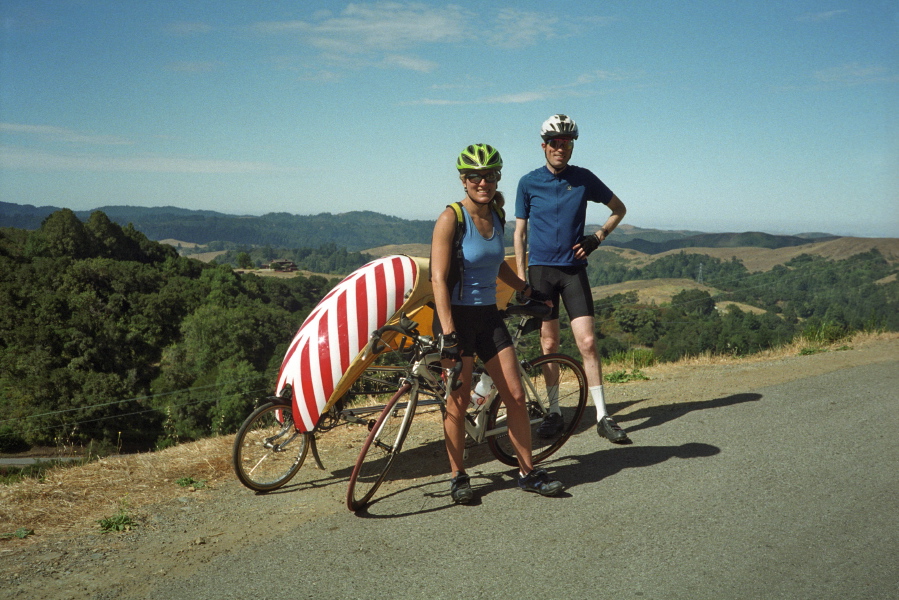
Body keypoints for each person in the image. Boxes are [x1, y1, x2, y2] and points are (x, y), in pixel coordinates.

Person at [431, 143, 564, 504]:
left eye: (489, 175)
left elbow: (497, 263)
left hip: (489, 316)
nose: (482, 182)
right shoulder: (451, 218)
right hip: (456, 319)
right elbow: (438, 279)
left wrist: (524, 288)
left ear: (496, 178)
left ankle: (527, 471)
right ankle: (458, 476)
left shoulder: (497, 217)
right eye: (475, 176)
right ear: (463, 179)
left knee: (516, 395)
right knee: (457, 402)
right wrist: (448, 333)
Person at [514, 114, 631, 444]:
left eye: (566, 143)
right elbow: (520, 233)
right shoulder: (528, 182)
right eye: (554, 143)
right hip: (540, 273)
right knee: (549, 344)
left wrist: (597, 238)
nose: (560, 148)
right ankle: (554, 412)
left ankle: (603, 416)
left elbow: (619, 209)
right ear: (544, 146)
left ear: (572, 146)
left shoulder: (583, 179)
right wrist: (523, 280)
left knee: (588, 343)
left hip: (573, 271)